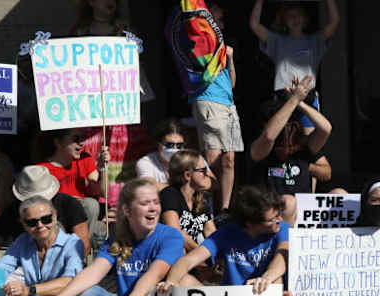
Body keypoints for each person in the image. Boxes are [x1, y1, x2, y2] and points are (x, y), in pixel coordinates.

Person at [32, 179, 184, 296]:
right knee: (86, 293)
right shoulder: (117, 237)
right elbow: (93, 272)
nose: (153, 209)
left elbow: (153, 275)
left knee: (158, 293)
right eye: (144, 204)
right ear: (127, 210)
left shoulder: (171, 236)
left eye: (156, 202)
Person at [159, 185, 288, 292]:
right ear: (249, 223)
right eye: (273, 219)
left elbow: (282, 257)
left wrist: (266, 278)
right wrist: (171, 282)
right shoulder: (228, 232)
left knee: (276, 280)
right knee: (182, 280)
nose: (280, 220)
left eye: (279, 215)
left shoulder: (281, 229)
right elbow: (188, 260)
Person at [250, 76, 332, 225]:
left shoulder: (303, 148)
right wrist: (293, 100)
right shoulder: (262, 151)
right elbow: (268, 136)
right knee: (288, 202)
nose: (288, 150)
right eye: (283, 146)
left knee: (339, 194)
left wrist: (299, 103)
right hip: (273, 216)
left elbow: (326, 129)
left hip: (304, 219)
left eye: (292, 146)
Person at [250, 0, 338, 129]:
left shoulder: (315, 41)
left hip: (307, 98)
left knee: (309, 144)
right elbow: (254, 24)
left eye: (298, 15)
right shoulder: (277, 41)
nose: (295, 19)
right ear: (284, 20)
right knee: (283, 143)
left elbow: (334, 22)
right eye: (290, 16)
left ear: (305, 19)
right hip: (283, 98)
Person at [0, 166, 90, 267]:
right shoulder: (12, 211)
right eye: (31, 222)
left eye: (46, 219)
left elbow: (82, 246)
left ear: (54, 216)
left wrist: (64, 268)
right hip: (24, 273)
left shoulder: (69, 204)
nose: (40, 225)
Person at [191, 0, 241, 215]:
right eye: (216, 17)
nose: (220, 21)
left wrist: (230, 59)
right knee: (214, 162)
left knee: (229, 160)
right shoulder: (200, 42)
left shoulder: (222, 46)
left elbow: (231, 84)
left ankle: (225, 210)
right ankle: (208, 209)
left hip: (228, 104)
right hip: (209, 101)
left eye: (220, 18)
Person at [37, 129, 111, 246]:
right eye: (76, 139)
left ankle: (81, 250)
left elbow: (103, 192)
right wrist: (68, 201)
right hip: (58, 218)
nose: (81, 143)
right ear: (58, 142)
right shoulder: (42, 169)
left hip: (82, 217)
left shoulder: (84, 159)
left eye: (83, 138)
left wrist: (103, 168)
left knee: (91, 205)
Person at [160, 150, 216, 252]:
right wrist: (203, 255)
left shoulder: (200, 197)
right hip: (176, 256)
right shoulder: (169, 195)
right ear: (187, 175)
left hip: (196, 256)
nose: (207, 173)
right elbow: (176, 234)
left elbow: (211, 232)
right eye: (203, 170)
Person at [137, 119, 192, 191]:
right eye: (170, 145)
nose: (175, 149)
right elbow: (149, 187)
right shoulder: (146, 162)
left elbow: (209, 181)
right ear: (158, 144)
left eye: (179, 145)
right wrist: (186, 186)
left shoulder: (192, 158)